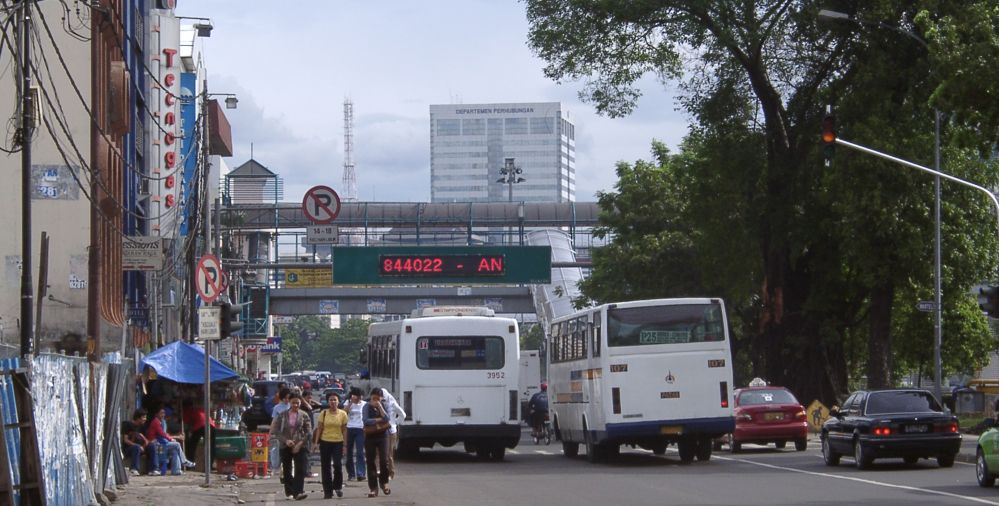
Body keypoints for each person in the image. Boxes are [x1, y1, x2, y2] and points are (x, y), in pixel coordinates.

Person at [270, 392, 312, 501]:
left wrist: (299, 444)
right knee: (287, 470)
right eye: (293, 403)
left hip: (300, 445)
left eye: (297, 403)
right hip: (286, 445)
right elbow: (276, 431)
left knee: (300, 469)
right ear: (289, 402)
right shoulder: (282, 415)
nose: (296, 405)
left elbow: (308, 432)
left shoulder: (304, 415)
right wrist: (286, 440)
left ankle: (298, 492)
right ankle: (290, 490)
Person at [312, 392, 348, 499]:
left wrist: (345, 445)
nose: (333, 402)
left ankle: (337, 486)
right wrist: (315, 443)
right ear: (328, 402)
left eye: (335, 400)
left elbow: (344, 430)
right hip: (325, 442)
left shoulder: (343, 414)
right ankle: (327, 491)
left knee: (337, 465)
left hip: (338, 442)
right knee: (325, 467)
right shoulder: (324, 413)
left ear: (338, 401)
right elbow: (319, 428)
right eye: (331, 400)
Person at [145, 407, 196, 475]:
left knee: (174, 451)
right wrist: (171, 439)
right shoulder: (156, 422)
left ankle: (176, 470)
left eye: (164, 413)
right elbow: (162, 434)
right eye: (161, 413)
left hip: (161, 443)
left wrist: (173, 437)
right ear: (156, 414)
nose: (163, 415)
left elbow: (165, 434)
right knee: (177, 444)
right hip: (157, 444)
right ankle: (184, 461)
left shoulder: (161, 422)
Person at [363, 388, 392, 498]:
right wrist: (380, 420)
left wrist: (380, 407)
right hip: (370, 436)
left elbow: (387, 418)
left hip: (383, 436)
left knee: (384, 460)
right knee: (371, 461)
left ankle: (384, 482)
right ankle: (373, 488)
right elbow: (366, 420)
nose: (375, 400)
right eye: (373, 398)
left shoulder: (384, 405)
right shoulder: (366, 406)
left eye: (378, 398)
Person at [379, 388, 407, 480]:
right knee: (380, 453)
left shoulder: (393, 403)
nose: (382, 399)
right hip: (382, 430)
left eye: (384, 398)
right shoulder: (380, 404)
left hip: (391, 431)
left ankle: (391, 473)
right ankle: (382, 472)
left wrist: (395, 422)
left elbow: (403, 414)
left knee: (389, 454)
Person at [342, 387, 367, 482]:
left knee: (360, 452)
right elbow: (343, 413)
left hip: (360, 429)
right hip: (349, 428)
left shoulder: (364, 404)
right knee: (349, 452)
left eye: (360, 396)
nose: (358, 398)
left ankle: (361, 473)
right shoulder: (348, 403)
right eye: (357, 396)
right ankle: (351, 474)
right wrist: (351, 402)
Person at [182, 399, 216, 466]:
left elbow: (186, 423)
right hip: (211, 425)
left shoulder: (187, 410)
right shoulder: (197, 409)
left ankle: (190, 463)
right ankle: (209, 465)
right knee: (211, 446)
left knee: (191, 445)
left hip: (201, 426)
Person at [122, 408, 151, 476]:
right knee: (136, 447)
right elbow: (125, 440)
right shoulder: (127, 425)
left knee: (151, 446)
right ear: (138, 418)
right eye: (143, 417)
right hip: (129, 449)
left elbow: (145, 439)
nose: (145, 419)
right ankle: (134, 469)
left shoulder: (142, 426)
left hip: (140, 447)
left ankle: (153, 469)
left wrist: (144, 444)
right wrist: (138, 446)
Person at [270, 388, 292, 475]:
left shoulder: (292, 405)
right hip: (281, 433)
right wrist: (271, 433)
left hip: (292, 432)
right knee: (279, 450)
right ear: (281, 398)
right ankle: (278, 467)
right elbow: (274, 421)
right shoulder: (277, 408)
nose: (287, 400)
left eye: (288, 398)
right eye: (285, 398)